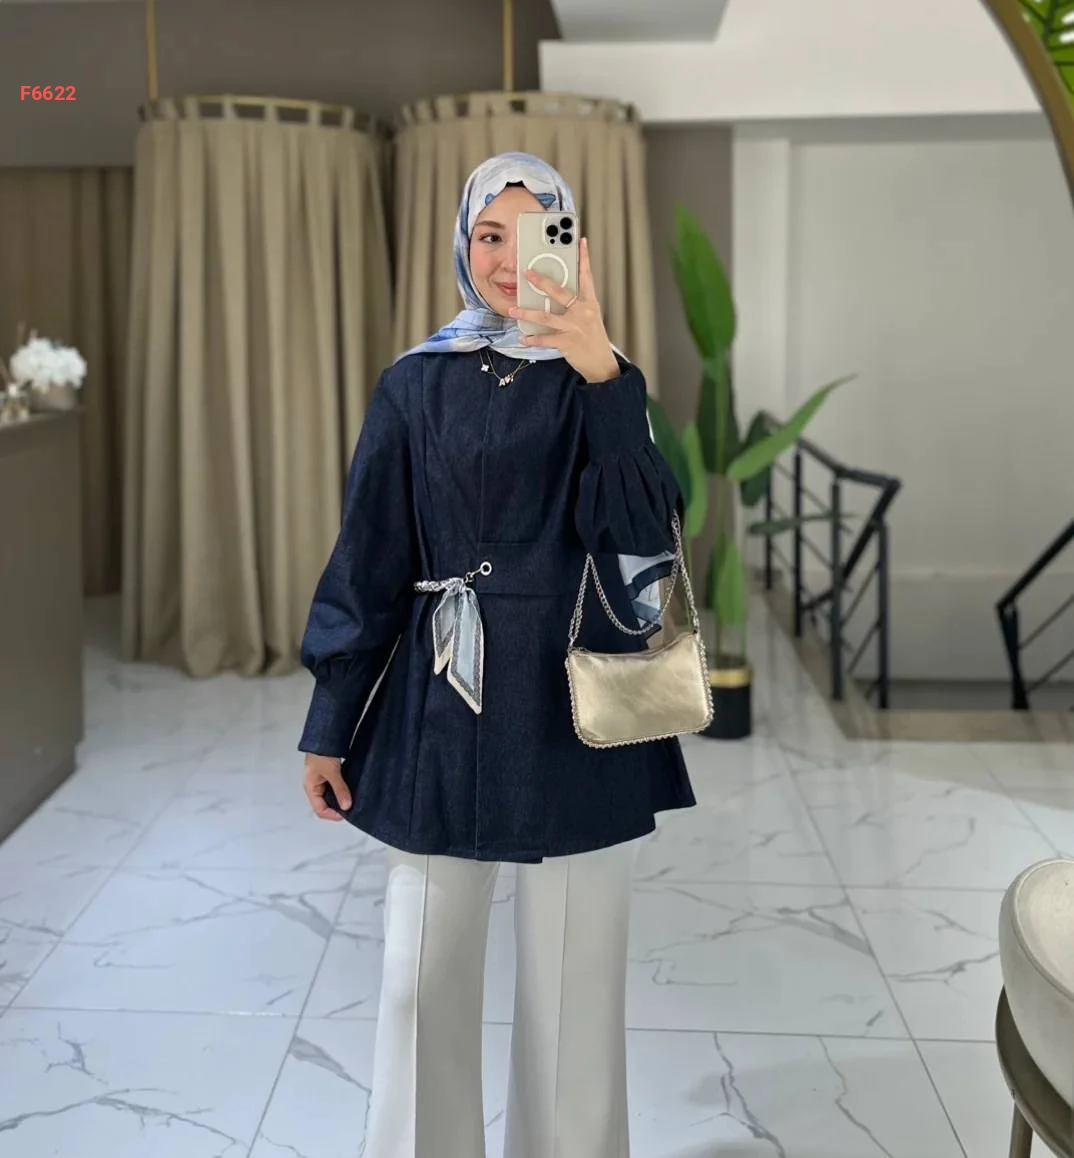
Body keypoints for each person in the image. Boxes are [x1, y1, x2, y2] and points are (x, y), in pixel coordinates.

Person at [298, 152, 696, 1158]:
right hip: (444, 701)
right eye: (489, 235)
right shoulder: (413, 383)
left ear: (571, 244)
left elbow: (645, 549)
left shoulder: (602, 383)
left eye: (534, 234)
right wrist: (329, 724)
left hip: (576, 710)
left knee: (574, 990)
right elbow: (369, 557)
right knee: (418, 982)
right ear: (462, 244)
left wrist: (603, 376)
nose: (510, 259)